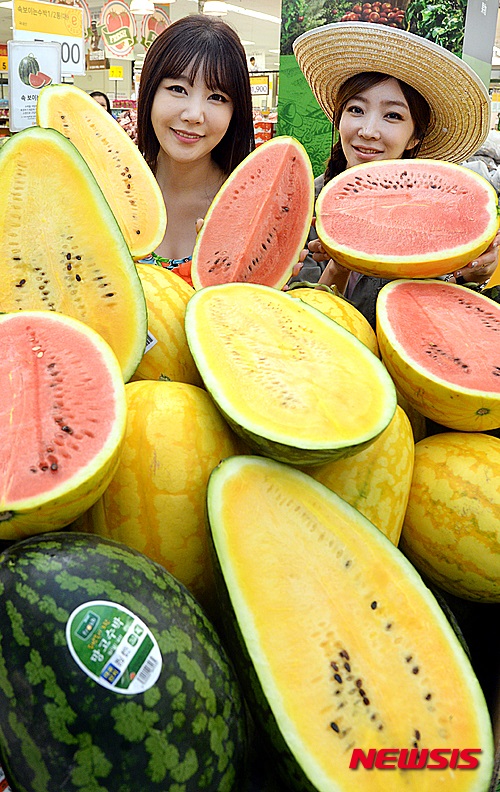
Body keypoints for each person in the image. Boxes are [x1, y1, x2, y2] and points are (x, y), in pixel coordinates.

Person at [290, 22, 499, 326]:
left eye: (392, 115)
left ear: (414, 137)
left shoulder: (434, 211)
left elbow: (435, 323)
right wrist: (339, 265)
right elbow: (299, 321)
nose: (368, 131)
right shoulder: (302, 203)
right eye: (356, 109)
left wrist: (472, 277)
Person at [137, 14, 255, 286]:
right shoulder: (107, 193)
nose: (194, 115)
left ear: (235, 111)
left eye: (217, 97)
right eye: (178, 89)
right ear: (150, 93)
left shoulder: (252, 211)